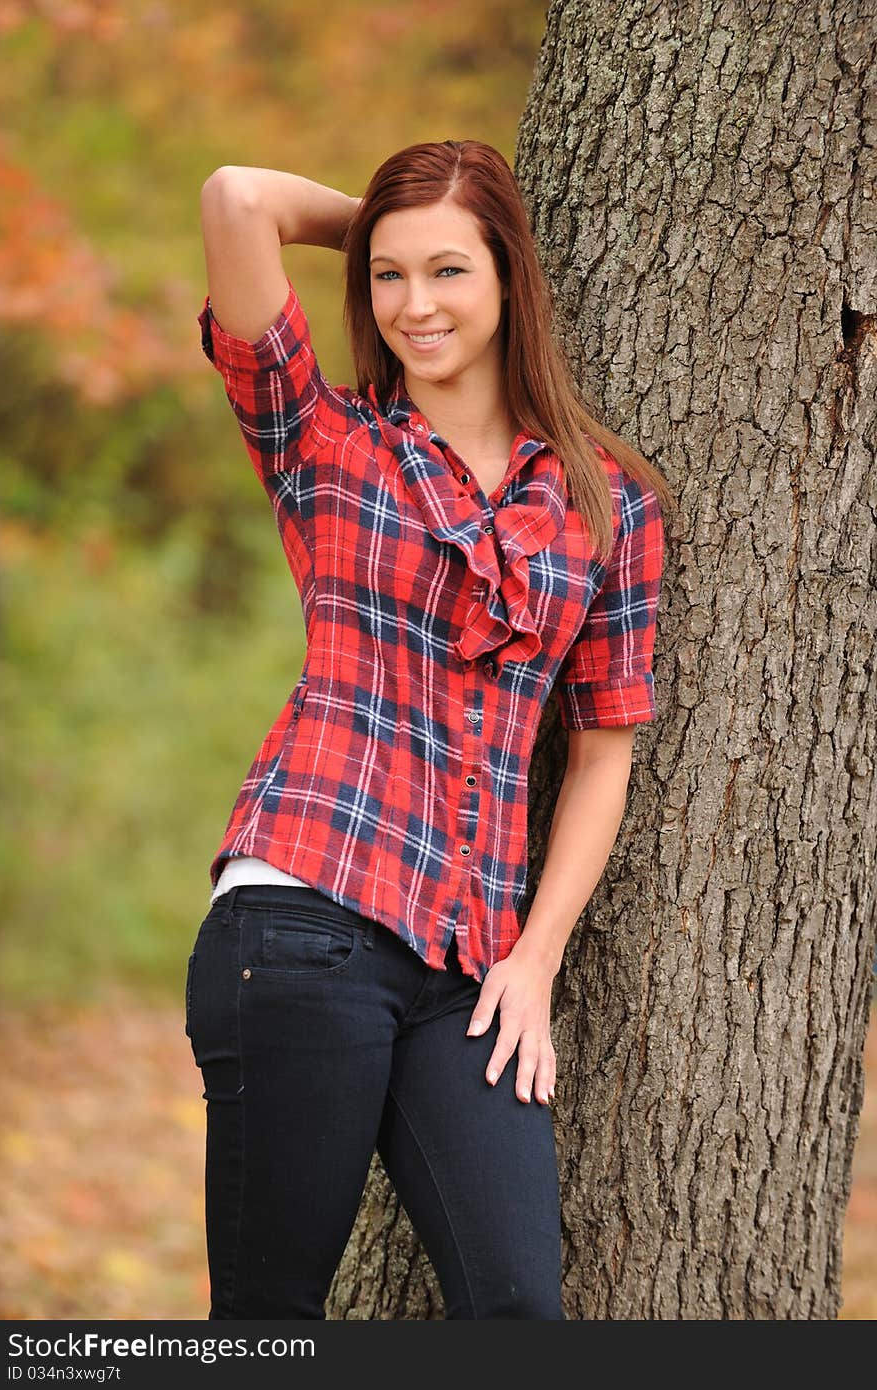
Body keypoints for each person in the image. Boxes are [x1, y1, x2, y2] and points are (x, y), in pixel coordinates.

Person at [185, 139, 671, 1321]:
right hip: (303, 920)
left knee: (518, 1311)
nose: (415, 307)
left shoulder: (605, 500)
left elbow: (602, 751)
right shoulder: (324, 439)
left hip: (472, 966)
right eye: (390, 279)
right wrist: (390, 228)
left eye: (450, 272)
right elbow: (236, 198)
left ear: (510, 276)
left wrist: (538, 952)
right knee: (268, 1327)